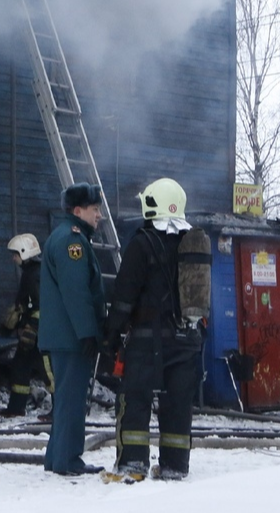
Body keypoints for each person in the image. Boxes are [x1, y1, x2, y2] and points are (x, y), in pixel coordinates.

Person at [103, 178, 208, 482]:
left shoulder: (142, 243)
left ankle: (133, 465)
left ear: (151, 205)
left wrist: (111, 336)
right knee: (177, 404)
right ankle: (175, 465)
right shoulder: (194, 243)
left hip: (148, 342)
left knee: (135, 400)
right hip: (187, 340)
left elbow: (124, 296)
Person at [39, 182, 107, 477]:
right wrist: (88, 333)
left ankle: (57, 457)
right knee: (72, 400)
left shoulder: (65, 236)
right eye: (95, 210)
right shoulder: (72, 242)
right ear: (78, 211)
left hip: (64, 335)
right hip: (71, 337)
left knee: (66, 398)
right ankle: (68, 461)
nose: (99, 215)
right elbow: (76, 291)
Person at [0, 232, 49, 417]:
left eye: (16, 254)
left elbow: (41, 306)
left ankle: (60, 410)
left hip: (40, 332)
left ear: (25, 252)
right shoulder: (32, 272)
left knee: (48, 370)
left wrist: (32, 329)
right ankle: (16, 407)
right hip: (33, 331)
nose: (14, 258)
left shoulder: (33, 275)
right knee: (20, 366)